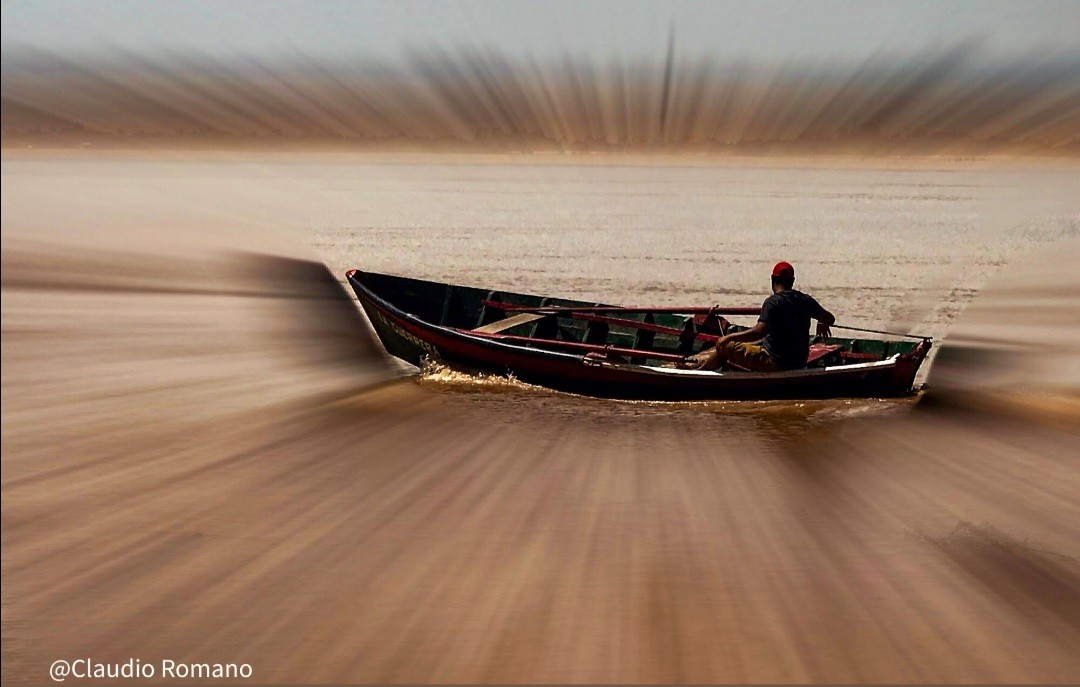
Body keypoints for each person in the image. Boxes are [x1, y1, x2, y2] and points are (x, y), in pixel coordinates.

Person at [680, 262, 835, 372]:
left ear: (772, 280)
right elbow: (830, 318)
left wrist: (728, 338)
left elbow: (759, 331)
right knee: (751, 343)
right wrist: (822, 321)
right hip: (798, 362)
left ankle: (698, 371)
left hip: (775, 363)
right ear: (792, 282)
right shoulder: (805, 300)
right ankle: (701, 367)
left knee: (725, 346)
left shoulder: (772, 303)